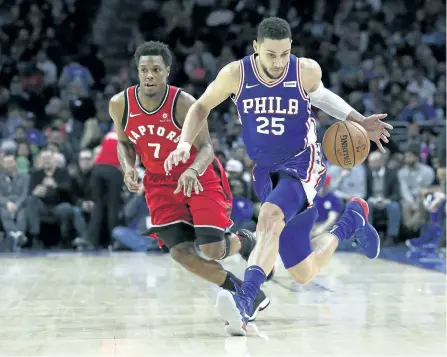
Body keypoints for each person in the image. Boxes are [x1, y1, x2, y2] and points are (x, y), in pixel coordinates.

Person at [165, 17, 393, 336]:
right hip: (265, 171)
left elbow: (322, 96)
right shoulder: (236, 74)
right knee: (302, 272)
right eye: (271, 54)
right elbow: (201, 107)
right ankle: (351, 222)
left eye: (284, 54)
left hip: (301, 162)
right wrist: (184, 144)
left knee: (268, 219)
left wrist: (358, 120)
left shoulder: (305, 70)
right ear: (256, 48)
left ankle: (245, 300)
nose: (278, 61)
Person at [108, 41, 270, 321]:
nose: (149, 75)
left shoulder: (184, 103)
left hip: (198, 175)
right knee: (180, 253)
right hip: (159, 183)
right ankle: (244, 292)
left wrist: (192, 170)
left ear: (167, 71)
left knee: (212, 250)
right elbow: (124, 143)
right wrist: (129, 167)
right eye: (144, 69)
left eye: (155, 69)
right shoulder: (119, 104)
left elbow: (207, 147)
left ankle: (245, 241)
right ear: (137, 71)